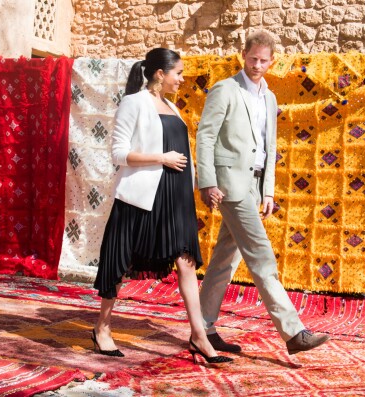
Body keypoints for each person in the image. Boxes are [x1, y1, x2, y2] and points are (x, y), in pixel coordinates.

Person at [92, 48, 232, 364]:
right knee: (119, 261)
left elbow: (184, 152)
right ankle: (102, 328)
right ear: (160, 73)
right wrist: (161, 158)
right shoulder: (134, 102)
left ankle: (198, 335)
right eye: (178, 73)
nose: (182, 79)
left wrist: (203, 187)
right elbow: (118, 153)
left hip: (176, 198)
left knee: (186, 263)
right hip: (141, 196)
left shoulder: (173, 107)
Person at [196, 30, 330, 355]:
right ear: (244, 54)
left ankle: (201, 328)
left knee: (224, 260)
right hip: (229, 184)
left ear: (272, 61)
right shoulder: (225, 89)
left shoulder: (269, 98)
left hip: (253, 187)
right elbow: (205, 136)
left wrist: (267, 191)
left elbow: (270, 146)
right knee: (262, 256)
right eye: (253, 58)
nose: (257, 65)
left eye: (263, 60)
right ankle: (293, 332)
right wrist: (207, 181)